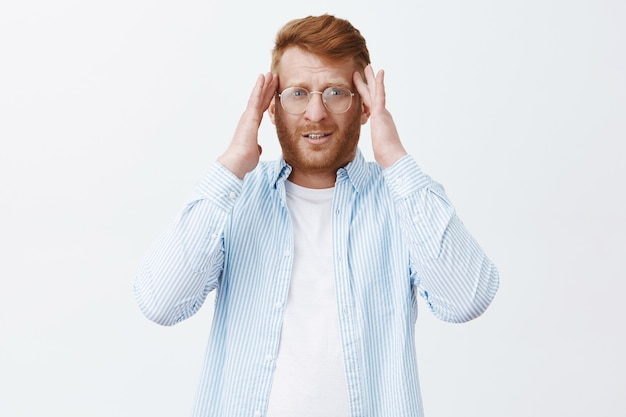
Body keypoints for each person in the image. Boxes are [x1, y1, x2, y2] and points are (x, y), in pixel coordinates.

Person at [134, 14, 499, 417]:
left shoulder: (404, 200)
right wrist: (232, 164)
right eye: (297, 93)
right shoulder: (234, 200)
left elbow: (467, 299)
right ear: (271, 108)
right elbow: (160, 302)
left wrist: (394, 158)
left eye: (335, 92)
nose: (315, 113)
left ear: (364, 106)